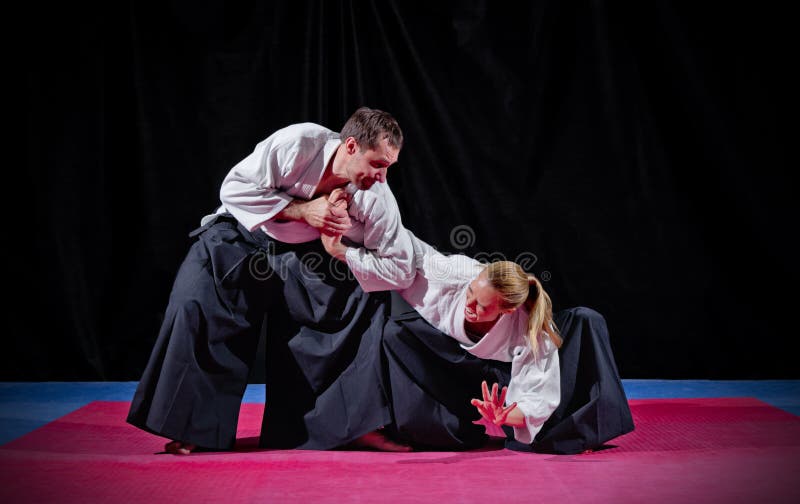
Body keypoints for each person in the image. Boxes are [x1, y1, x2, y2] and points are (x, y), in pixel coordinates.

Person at [127, 107, 416, 455]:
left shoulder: (376, 196)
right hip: (242, 234)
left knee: (356, 302)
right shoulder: (299, 143)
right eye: (377, 164)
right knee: (195, 300)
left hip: (307, 255)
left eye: (389, 167)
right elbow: (233, 188)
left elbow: (399, 263)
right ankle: (193, 427)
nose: (382, 177)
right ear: (351, 146)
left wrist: (342, 250)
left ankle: (349, 427)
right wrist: (304, 210)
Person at [315, 230, 634, 452]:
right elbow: (407, 247)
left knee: (583, 322)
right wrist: (343, 248)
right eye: (471, 293)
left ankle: (580, 430)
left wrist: (505, 416)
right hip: (459, 362)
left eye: (481, 305)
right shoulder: (456, 271)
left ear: (507, 310)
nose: (470, 305)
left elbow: (538, 397)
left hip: (503, 378)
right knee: (394, 332)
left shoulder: (532, 331)